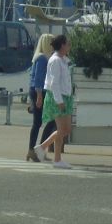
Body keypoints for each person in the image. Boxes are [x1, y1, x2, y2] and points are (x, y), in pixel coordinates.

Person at [34, 34, 74, 169]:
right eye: (67, 44)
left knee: (65, 129)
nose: (69, 46)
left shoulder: (63, 60)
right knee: (62, 129)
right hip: (57, 97)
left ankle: (45, 150)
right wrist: (59, 100)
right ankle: (53, 156)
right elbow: (54, 83)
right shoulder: (55, 60)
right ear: (62, 45)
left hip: (65, 96)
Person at [26, 33, 56, 162]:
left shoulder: (39, 58)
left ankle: (35, 150)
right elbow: (38, 78)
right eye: (52, 43)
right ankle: (36, 150)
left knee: (40, 122)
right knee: (47, 121)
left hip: (37, 91)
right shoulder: (42, 58)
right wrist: (39, 96)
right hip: (39, 92)